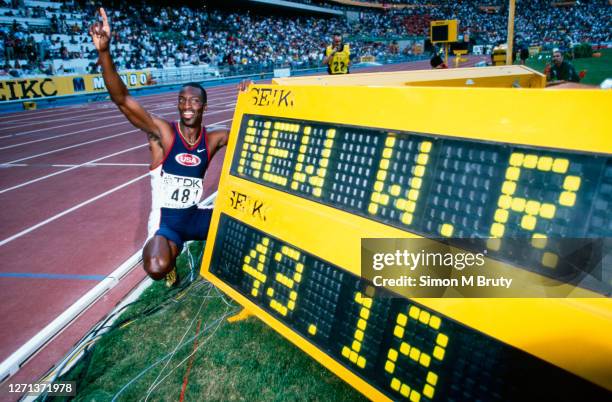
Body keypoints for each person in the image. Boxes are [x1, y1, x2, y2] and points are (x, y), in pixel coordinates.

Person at [90, 8, 230, 286]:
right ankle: (172, 262)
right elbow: (122, 100)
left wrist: (249, 97)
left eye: (193, 101)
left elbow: (249, 132)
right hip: (166, 225)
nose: (187, 106)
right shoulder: (162, 133)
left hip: (195, 216)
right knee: (156, 266)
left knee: (245, 224)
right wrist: (104, 52)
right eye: (182, 100)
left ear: (204, 106)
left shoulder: (214, 138)